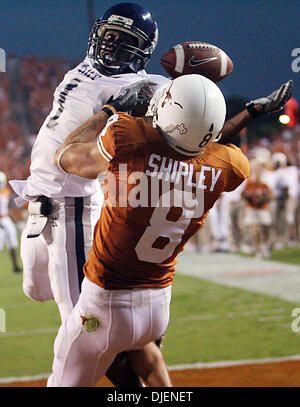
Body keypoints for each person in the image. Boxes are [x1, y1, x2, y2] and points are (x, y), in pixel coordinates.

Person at [10, 2, 171, 387]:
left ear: (141, 49)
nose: (111, 46)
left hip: (73, 207)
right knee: (34, 290)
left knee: (83, 325)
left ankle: (136, 382)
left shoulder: (141, 88)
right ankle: (120, 317)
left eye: (123, 41)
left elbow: (174, 104)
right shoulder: (87, 64)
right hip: (37, 200)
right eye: (108, 36)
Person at [241, 160, 274, 258]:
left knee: (266, 227)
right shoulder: (249, 182)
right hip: (251, 208)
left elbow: (271, 196)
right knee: (254, 230)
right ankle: (258, 250)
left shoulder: (265, 181)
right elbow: (243, 194)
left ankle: (264, 245)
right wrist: (250, 197)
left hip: (263, 207)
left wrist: (263, 198)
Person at [0, 171, 22, 273]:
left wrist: (14, 220)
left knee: (13, 243)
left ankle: (15, 266)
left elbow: (9, 206)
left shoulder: (6, 191)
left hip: (6, 218)